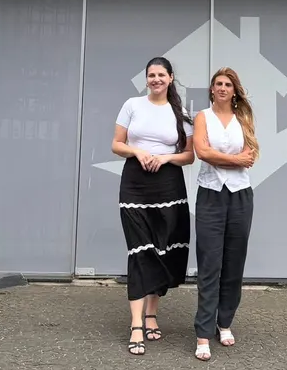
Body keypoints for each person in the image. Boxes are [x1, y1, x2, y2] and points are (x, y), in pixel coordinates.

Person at [111, 56, 195, 356]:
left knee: (161, 250)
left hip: (169, 185)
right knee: (139, 250)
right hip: (135, 184)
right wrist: (138, 152)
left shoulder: (181, 113)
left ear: (170, 78)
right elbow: (116, 144)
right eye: (151, 75)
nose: (156, 79)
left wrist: (165, 157)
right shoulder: (132, 105)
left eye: (161, 74)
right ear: (146, 79)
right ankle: (136, 325)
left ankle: (151, 314)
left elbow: (189, 155)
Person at [190, 67, 258, 361]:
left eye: (227, 84)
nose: (222, 88)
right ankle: (203, 333)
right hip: (210, 194)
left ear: (234, 90)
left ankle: (224, 322)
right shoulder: (202, 117)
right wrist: (234, 160)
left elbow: (250, 157)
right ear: (212, 89)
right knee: (209, 264)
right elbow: (202, 152)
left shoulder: (244, 119)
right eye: (218, 83)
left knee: (234, 262)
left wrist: (231, 160)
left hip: (240, 195)